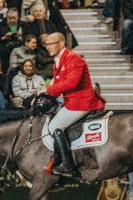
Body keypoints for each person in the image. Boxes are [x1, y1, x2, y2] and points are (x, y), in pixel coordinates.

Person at [41, 32, 106, 177]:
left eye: (50, 44)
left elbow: (72, 82)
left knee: (54, 127)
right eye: (46, 44)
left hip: (82, 101)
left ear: (61, 44)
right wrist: (42, 94)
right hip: (70, 100)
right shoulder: (57, 63)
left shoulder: (74, 58)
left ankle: (67, 165)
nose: (47, 47)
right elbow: (58, 87)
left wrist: (47, 89)